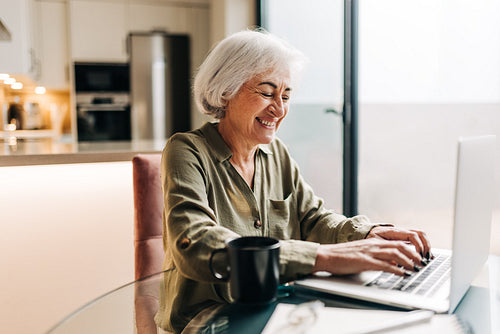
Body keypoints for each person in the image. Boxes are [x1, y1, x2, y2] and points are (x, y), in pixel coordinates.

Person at [155, 29, 431, 333]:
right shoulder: (186, 150)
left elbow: (313, 220)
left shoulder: (277, 154)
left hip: (276, 310)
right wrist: (322, 258)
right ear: (226, 91)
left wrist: (369, 233)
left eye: (286, 96)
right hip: (208, 321)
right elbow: (194, 243)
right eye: (266, 92)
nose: (279, 108)